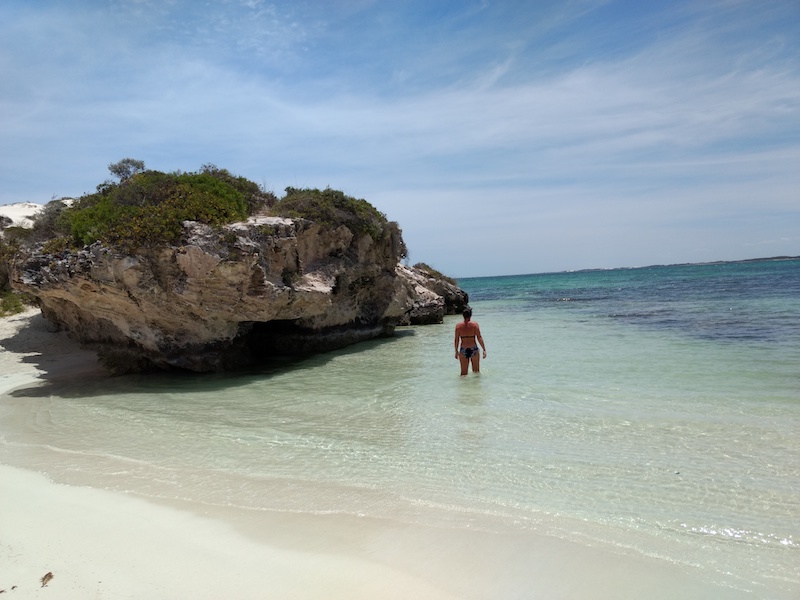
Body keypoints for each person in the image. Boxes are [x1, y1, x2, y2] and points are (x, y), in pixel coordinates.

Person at [454, 307, 486, 376]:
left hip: (463, 349)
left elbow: (456, 340)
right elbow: (479, 337)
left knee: (463, 374)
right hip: (473, 349)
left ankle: (463, 384)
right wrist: (484, 349)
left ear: (463, 315)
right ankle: (476, 383)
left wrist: (456, 351)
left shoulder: (458, 326)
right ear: (470, 315)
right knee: (476, 372)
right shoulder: (475, 325)